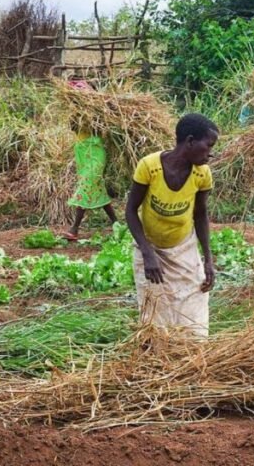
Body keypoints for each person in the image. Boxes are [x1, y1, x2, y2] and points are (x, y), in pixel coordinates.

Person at [125, 113, 219, 337]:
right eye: (208, 145)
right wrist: (147, 253)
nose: (211, 153)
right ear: (189, 141)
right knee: (154, 315)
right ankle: (158, 356)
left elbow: (200, 215)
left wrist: (208, 258)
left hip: (182, 247)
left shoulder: (202, 174)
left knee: (194, 309)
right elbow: (130, 211)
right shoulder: (149, 166)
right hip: (149, 246)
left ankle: (192, 355)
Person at [64, 77, 117, 240]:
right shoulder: (76, 112)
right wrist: (78, 114)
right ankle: (116, 223)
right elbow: (73, 127)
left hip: (95, 153)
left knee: (87, 185)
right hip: (82, 154)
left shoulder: (99, 110)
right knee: (96, 187)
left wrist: (92, 113)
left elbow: (103, 128)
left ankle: (74, 228)